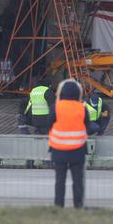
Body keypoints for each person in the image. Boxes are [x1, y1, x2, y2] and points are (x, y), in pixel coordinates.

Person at [48, 78, 89, 209]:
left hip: (58, 150)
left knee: (60, 180)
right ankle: (78, 205)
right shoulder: (82, 108)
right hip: (78, 151)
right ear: (78, 93)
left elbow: (48, 123)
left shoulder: (56, 107)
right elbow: (88, 125)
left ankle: (58, 206)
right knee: (78, 181)